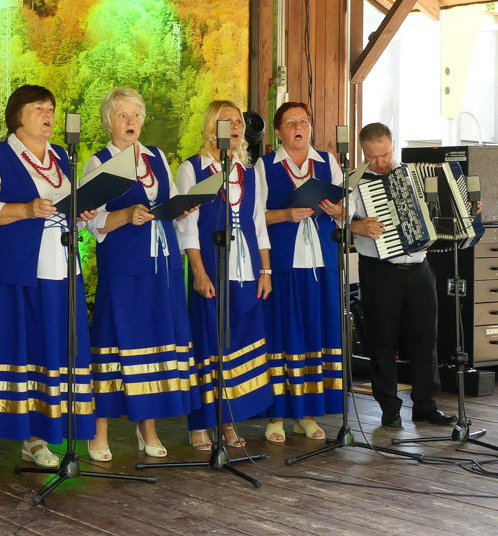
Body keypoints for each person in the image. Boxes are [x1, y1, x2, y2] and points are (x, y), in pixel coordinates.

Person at [0, 85, 96, 472]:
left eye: (51, 108)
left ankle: (35, 438)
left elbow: (68, 204)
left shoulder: (61, 156)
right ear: (17, 116)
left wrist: (81, 212)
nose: (48, 114)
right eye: (39, 108)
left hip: (59, 267)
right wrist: (24, 209)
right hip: (13, 268)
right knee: (2, 348)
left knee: (45, 351)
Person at [84, 87, 198, 460]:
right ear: (108, 121)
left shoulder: (156, 157)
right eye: (122, 116)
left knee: (151, 341)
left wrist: (179, 210)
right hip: (124, 263)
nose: (130, 122)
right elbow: (92, 220)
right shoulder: (96, 162)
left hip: (161, 264)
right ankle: (98, 431)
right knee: (114, 339)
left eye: (135, 115)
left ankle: (146, 426)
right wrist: (124, 216)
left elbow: (164, 203)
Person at [176, 100, 273, 449]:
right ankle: (200, 423)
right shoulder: (192, 169)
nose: (234, 127)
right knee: (208, 344)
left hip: (246, 271)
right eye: (225, 121)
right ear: (210, 126)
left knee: (240, 342)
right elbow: (187, 229)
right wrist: (199, 274)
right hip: (211, 269)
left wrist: (265, 270)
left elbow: (258, 224)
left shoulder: (250, 171)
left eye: (238, 122)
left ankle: (230, 420)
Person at [350, 122, 456, 428]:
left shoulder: (414, 175)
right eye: (373, 157)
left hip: (421, 266)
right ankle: (389, 409)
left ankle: (425, 404)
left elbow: (441, 211)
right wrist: (358, 225)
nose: (380, 163)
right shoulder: (356, 182)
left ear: (392, 145)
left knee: (426, 339)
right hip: (380, 269)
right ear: (363, 152)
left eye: (384, 154)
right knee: (382, 341)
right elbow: (341, 219)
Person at [254, 102, 344, 442]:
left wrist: (338, 210)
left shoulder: (328, 162)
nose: (298, 126)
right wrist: (285, 215)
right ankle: (276, 415)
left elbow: (343, 211)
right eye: (290, 122)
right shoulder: (264, 166)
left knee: (313, 335)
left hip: (321, 261)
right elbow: (254, 217)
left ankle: (306, 414)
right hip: (282, 262)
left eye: (304, 121)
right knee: (281, 335)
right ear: (278, 131)